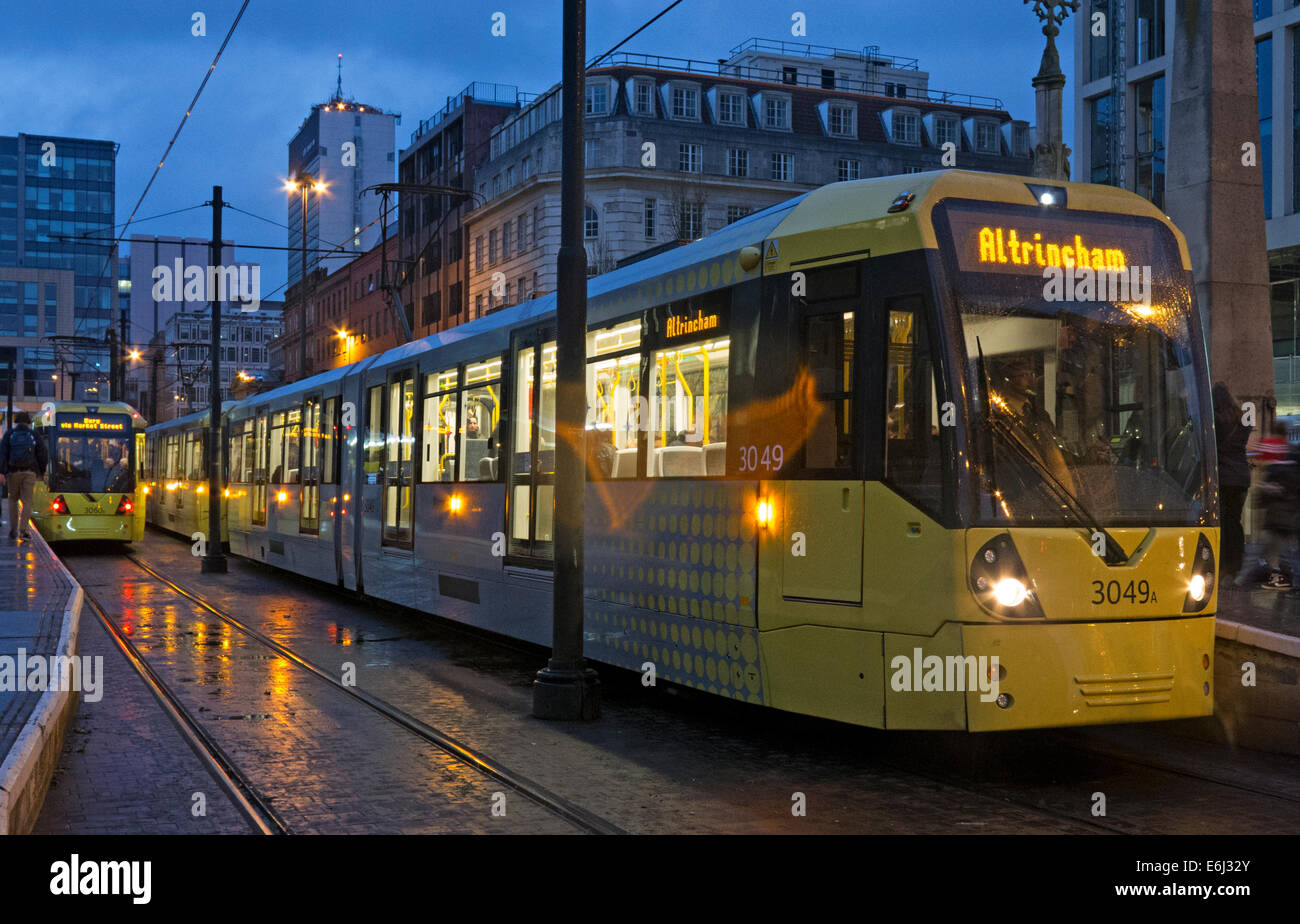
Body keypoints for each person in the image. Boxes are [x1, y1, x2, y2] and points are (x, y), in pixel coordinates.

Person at [1213, 382, 1251, 585]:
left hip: (1224, 479)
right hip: (1242, 478)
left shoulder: (1216, 422)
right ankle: (1236, 567)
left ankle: (1223, 567)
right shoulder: (1242, 421)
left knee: (1222, 523)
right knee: (1235, 522)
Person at [1257, 428, 1300, 590]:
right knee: (1286, 548)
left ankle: (1285, 578)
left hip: (1281, 515)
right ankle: (1285, 577)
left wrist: (1266, 488)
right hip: (1287, 514)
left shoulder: (1280, 466)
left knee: (1281, 548)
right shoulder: (1290, 462)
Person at [0, 412, 49, 540]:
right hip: (30, 472)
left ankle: (13, 530)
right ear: (28, 422)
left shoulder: (9, 434)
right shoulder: (33, 434)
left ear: (16, 422)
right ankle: (23, 531)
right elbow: (43, 452)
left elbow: (2, 453)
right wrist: (41, 470)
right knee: (27, 501)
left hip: (13, 472)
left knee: (13, 500)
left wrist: (2, 472)